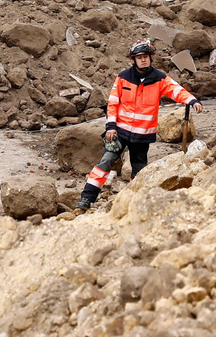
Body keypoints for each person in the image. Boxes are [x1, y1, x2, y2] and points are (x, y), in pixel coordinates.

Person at [78, 41, 201, 211]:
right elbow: (113, 103)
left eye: (145, 57)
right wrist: (111, 126)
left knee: (139, 171)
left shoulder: (159, 78)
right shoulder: (123, 77)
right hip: (120, 131)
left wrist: (192, 100)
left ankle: (133, 203)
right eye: (139, 58)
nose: (143, 60)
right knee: (106, 161)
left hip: (142, 135)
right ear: (134, 60)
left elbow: (176, 91)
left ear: (150, 58)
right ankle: (86, 198)